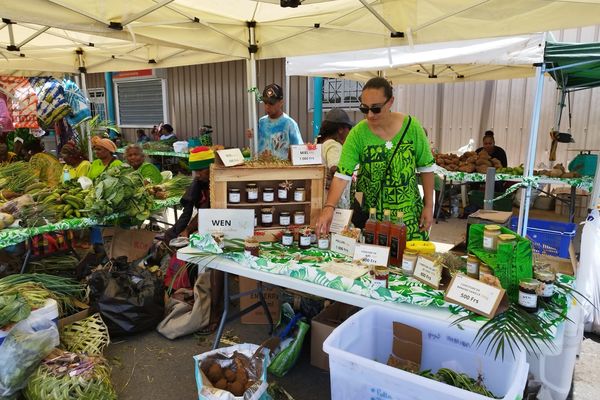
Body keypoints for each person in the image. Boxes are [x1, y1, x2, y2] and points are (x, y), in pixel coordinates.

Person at [316, 77, 435, 241]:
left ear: (390, 102)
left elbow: (426, 168)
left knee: (408, 260)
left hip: (408, 216)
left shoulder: (411, 127)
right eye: (364, 109)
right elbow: (342, 174)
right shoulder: (358, 134)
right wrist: (329, 207)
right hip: (373, 217)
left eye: (376, 109)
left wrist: (429, 205)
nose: (370, 115)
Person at [163, 146, 214, 242]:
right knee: (171, 235)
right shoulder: (199, 182)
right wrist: (177, 231)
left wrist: (188, 230)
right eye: (195, 171)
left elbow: (206, 212)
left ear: (211, 167)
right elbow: (187, 211)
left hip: (219, 223)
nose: (197, 175)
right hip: (206, 220)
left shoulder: (218, 184)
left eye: (201, 170)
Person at [245, 83, 303, 160]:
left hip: (281, 170)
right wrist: (252, 133)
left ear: (281, 102)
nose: (267, 107)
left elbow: (299, 149)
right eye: (265, 103)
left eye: (271, 103)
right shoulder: (262, 122)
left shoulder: (289, 124)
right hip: (261, 168)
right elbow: (255, 137)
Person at [317, 108, 354, 209]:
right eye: (348, 128)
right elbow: (335, 168)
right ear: (341, 129)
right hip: (335, 205)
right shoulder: (333, 145)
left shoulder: (323, 143)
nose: (350, 132)